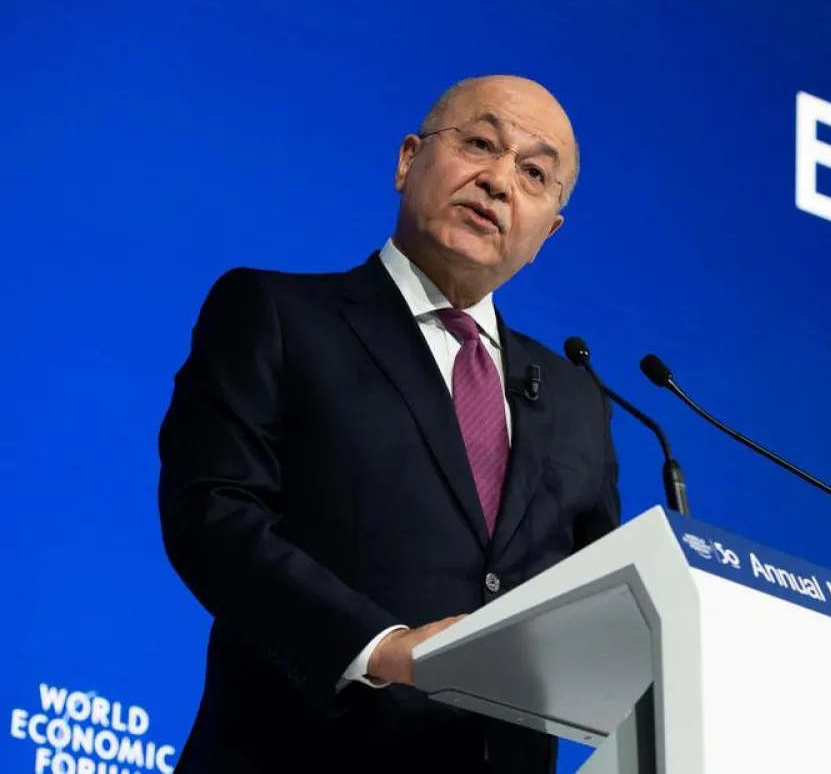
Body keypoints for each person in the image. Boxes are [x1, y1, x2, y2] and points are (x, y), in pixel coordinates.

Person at [157, 75, 621, 773]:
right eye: (479, 144)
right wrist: (380, 648)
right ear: (408, 160)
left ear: (547, 233)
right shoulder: (278, 316)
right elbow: (213, 515)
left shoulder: (576, 399)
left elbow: (596, 609)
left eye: (533, 173)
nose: (498, 181)